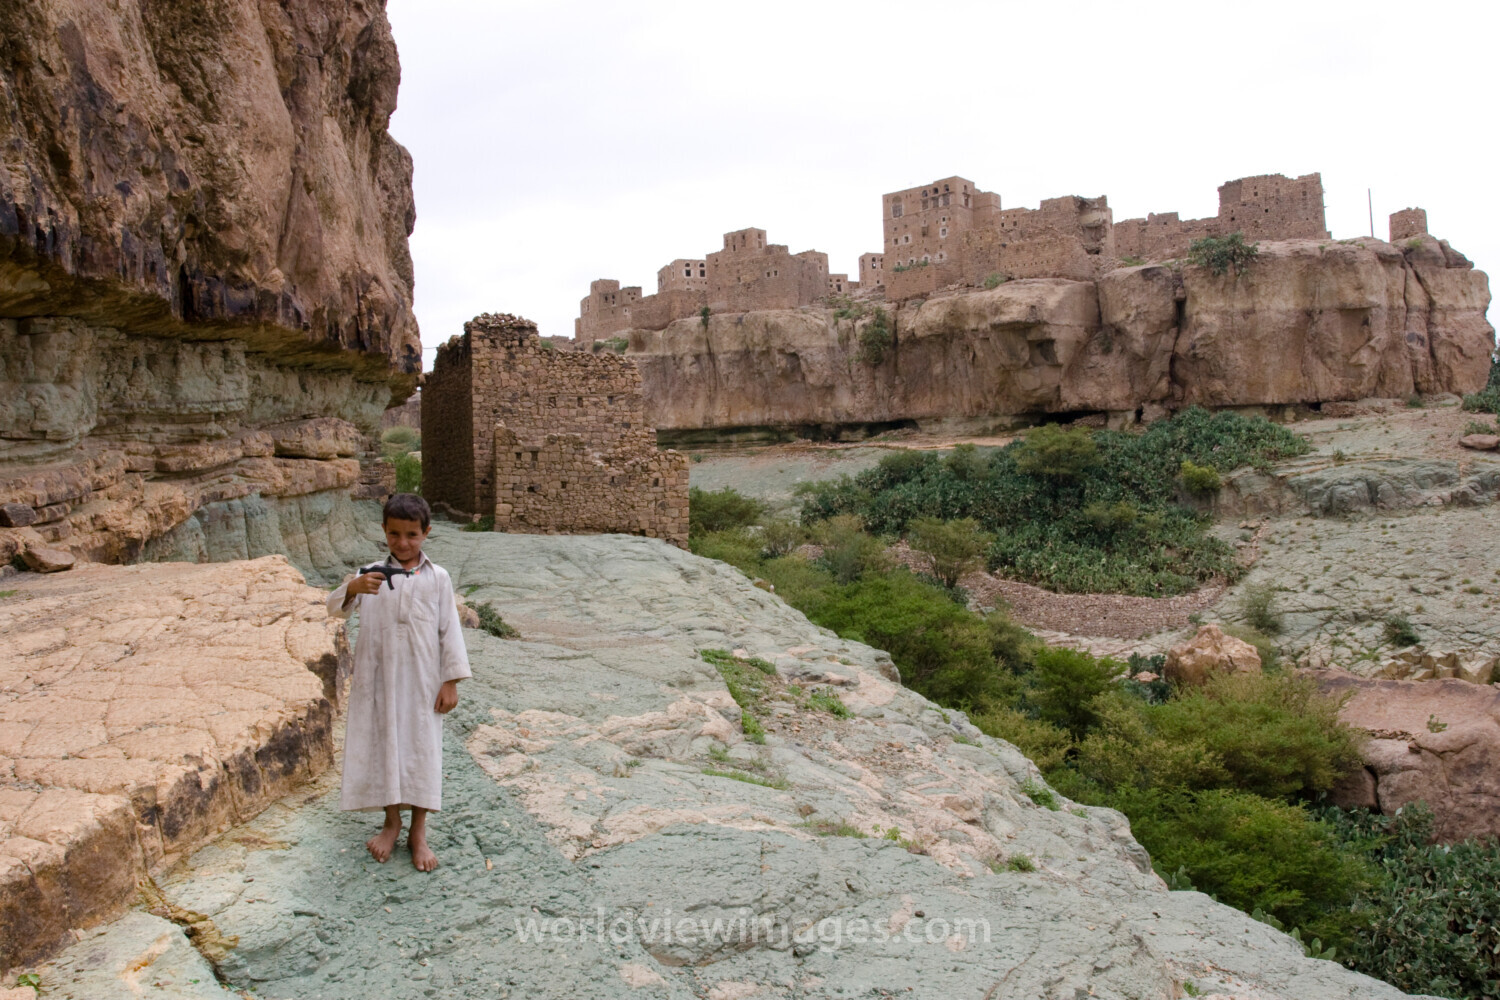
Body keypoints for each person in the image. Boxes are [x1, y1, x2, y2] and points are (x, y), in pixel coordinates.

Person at [326, 493, 470, 871]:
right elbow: (333, 608)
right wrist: (352, 590)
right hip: (379, 681)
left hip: (423, 682)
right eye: (394, 534)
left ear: (426, 532)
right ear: (384, 532)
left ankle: (418, 832)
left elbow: (449, 631)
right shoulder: (369, 573)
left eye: (411, 534)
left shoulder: (438, 578)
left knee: (422, 750)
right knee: (385, 745)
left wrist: (451, 680)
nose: (402, 543)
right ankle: (391, 822)